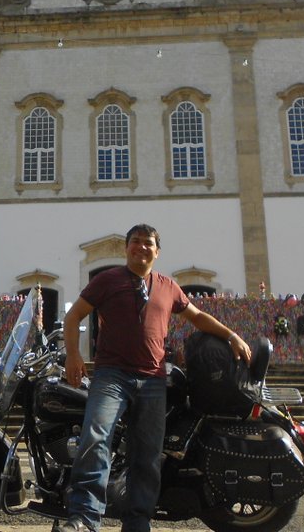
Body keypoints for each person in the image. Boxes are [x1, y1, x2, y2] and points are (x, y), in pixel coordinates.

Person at [60, 223, 253, 532]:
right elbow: (73, 316)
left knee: (147, 455)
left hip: (153, 379)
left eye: (148, 243)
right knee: (95, 437)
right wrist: (72, 354)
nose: (141, 247)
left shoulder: (168, 285)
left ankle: (137, 522)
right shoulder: (107, 280)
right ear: (126, 249)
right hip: (112, 375)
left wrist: (231, 335)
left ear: (157, 251)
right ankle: (84, 516)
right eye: (135, 241)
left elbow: (197, 317)